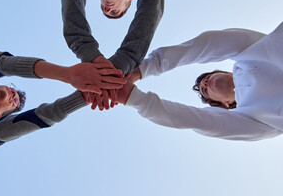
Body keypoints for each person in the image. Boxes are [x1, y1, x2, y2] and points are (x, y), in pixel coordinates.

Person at [0, 40, 126, 149]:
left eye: (15, 102)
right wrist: (67, 74)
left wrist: (88, 94)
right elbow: (5, 64)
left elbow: (43, 116)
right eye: (13, 90)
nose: (13, 94)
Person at [115, 21, 283, 141]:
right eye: (205, 90)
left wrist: (142, 69)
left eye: (207, 78)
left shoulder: (247, 54)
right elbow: (202, 121)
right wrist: (133, 98)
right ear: (224, 104)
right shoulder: (259, 122)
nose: (204, 84)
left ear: (225, 72)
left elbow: (207, 45)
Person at [62, 0, 164, 75]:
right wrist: (125, 59)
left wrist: (87, 51)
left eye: (103, 9)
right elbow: (152, 8)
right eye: (115, 11)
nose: (107, 9)